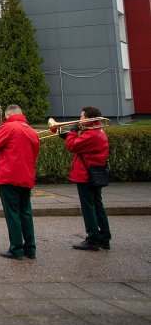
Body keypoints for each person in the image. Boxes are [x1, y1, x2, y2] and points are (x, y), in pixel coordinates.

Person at [0, 104, 40, 260]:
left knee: (12, 214)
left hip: (9, 176)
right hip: (27, 176)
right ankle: (30, 248)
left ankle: (16, 249)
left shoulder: (8, 127)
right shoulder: (30, 130)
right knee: (26, 213)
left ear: (8, 115)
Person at [62, 106, 111, 251]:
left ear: (89, 118)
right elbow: (81, 145)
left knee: (88, 208)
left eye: (82, 117)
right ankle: (104, 237)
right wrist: (69, 134)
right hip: (94, 173)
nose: (79, 119)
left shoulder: (91, 134)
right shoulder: (97, 131)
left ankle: (92, 239)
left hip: (85, 175)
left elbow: (72, 146)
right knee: (97, 206)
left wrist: (71, 133)